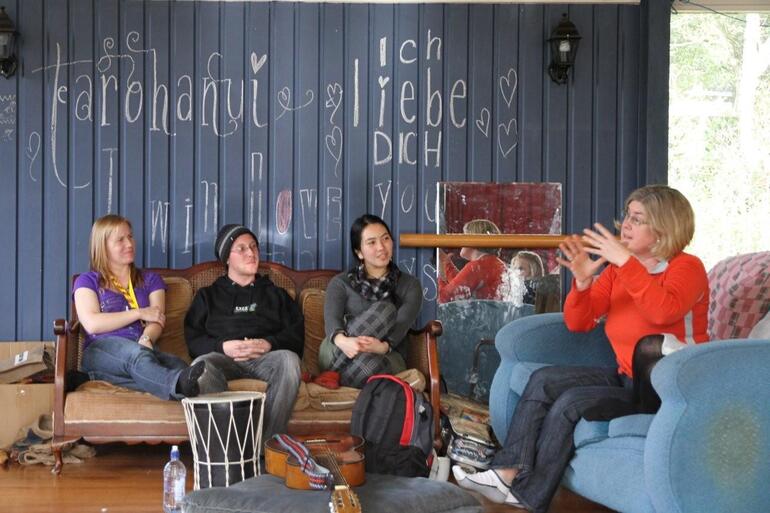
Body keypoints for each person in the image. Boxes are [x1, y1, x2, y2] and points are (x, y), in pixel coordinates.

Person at [453, 185, 709, 512]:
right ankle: (505, 473)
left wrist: (626, 262)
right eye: (627, 216)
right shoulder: (618, 271)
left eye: (637, 219)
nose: (625, 225)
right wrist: (583, 282)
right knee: (544, 380)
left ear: (663, 228)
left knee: (571, 402)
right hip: (627, 378)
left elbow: (663, 311)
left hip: (670, 389)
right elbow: (579, 322)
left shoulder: (686, 267)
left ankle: (527, 498)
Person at [184, 224, 304, 439]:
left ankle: (266, 446)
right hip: (224, 360)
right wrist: (222, 346)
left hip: (266, 360)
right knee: (200, 367)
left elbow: (296, 336)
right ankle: (227, 447)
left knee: (290, 360)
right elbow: (194, 339)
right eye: (241, 248)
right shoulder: (207, 295)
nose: (251, 253)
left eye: (254, 247)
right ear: (226, 258)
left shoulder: (276, 294)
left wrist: (270, 343)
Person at [73, 215, 204, 401]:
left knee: (179, 366)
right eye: (120, 239)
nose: (129, 243)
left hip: (143, 346)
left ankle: (97, 377)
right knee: (137, 356)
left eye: (130, 236)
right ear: (102, 246)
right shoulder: (87, 281)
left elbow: (157, 319)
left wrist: (146, 339)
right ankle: (177, 386)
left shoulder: (151, 280)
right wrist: (139, 312)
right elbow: (93, 324)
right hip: (101, 349)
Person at [317, 214, 422, 388]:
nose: (381, 247)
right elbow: (332, 320)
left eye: (385, 239)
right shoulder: (341, 282)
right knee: (386, 310)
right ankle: (335, 368)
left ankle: (331, 377)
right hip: (338, 347)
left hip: (387, 354)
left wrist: (382, 346)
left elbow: (402, 323)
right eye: (372, 242)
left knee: (373, 363)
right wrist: (345, 342)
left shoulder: (410, 285)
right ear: (359, 252)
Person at [438, 219, 507, 303]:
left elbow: (444, 298)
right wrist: (446, 264)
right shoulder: (492, 263)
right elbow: (463, 287)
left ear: (474, 240)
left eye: (464, 235)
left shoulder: (479, 266)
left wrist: (439, 278)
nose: (460, 240)